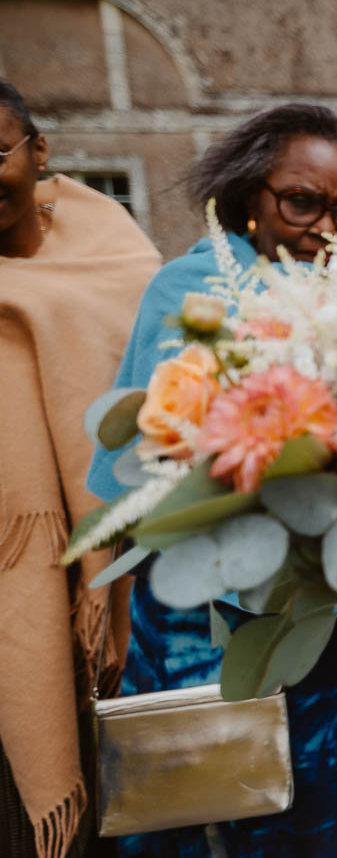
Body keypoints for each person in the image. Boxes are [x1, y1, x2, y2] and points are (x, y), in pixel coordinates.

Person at [85, 103, 337, 858]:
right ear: (250, 197)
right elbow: (142, 478)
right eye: (301, 201)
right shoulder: (189, 293)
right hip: (214, 626)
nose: (324, 228)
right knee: (223, 820)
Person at [0, 78, 159, 858]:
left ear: (38, 153)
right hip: (13, 590)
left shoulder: (114, 250)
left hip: (122, 588)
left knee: (122, 803)